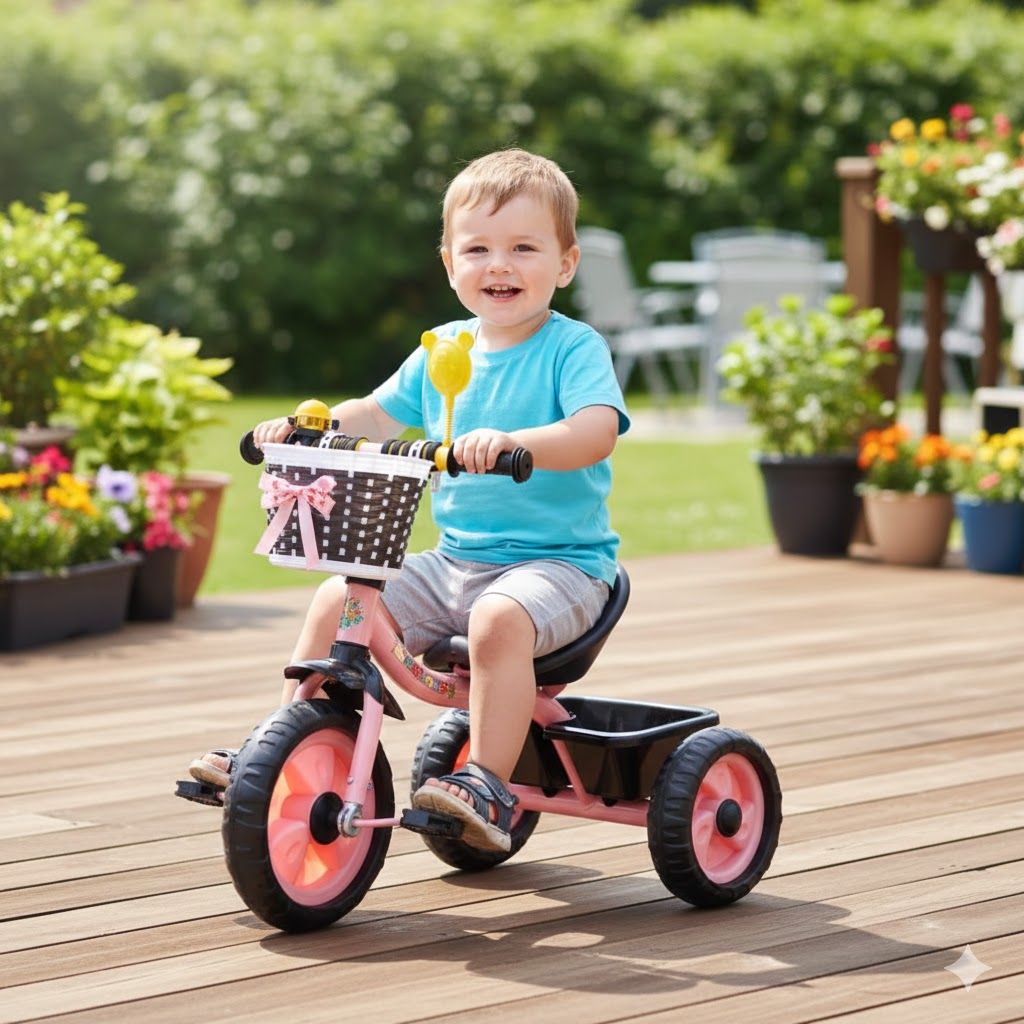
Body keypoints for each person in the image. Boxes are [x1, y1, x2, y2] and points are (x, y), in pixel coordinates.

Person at [190, 148, 630, 852]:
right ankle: (280, 741)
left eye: (524, 248)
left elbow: (595, 431)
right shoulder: (441, 349)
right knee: (340, 597)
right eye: (478, 249)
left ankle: (488, 781)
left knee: (497, 619)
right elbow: (373, 413)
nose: (499, 265)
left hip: (563, 567)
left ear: (566, 263)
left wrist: (513, 441)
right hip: (455, 563)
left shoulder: (571, 349)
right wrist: (310, 426)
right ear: (450, 264)